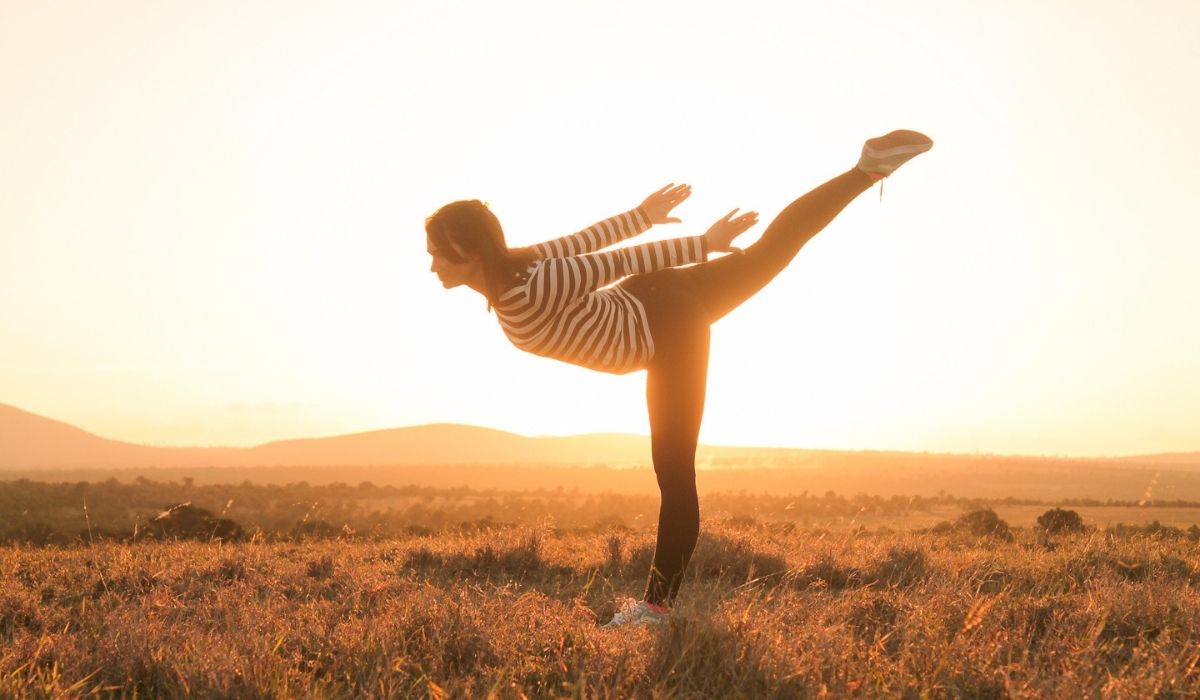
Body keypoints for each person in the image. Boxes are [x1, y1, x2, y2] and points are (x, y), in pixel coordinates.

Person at [424, 130, 933, 629]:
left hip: (665, 329)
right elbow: (582, 241)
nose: (431, 266)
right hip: (657, 305)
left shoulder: (528, 290)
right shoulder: (517, 270)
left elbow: (617, 261)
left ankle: (655, 610)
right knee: (770, 254)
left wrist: (703, 244)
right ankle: (866, 170)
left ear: (467, 252)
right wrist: (643, 215)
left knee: (674, 473)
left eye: (436, 253)